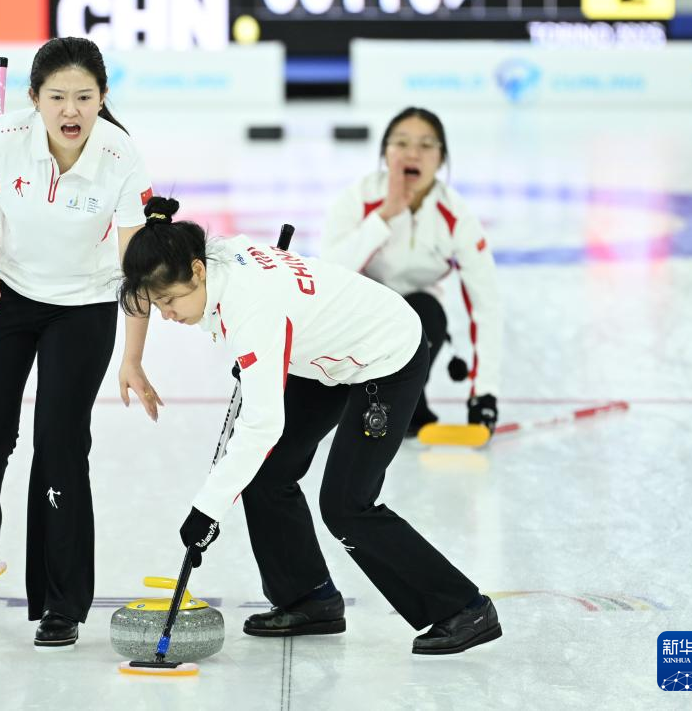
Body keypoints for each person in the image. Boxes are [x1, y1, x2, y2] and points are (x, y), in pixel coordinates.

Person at [118, 196, 502, 655]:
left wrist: (207, 510)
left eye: (169, 301)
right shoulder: (212, 257)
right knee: (267, 473)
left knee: (346, 504)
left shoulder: (250, 308)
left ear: (198, 271)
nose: (166, 314)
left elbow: (262, 427)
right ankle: (309, 598)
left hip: (385, 353)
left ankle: (464, 608)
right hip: (325, 354)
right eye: (157, 304)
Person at [0, 37, 163, 647]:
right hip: (5, 295)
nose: (71, 110)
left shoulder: (121, 158)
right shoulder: (2, 138)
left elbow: (135, 270)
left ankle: (62, 602)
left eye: (85, 97)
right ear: (34, 97)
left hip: (83, 307)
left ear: (103, 97)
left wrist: (134, 356)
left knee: (61, 447)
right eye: (58, 97)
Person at [321, 107, 501, 436]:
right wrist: (385, 215)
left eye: (426, 145)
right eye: (401, 143)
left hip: (419, 324)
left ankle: (403, 395)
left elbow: (486, 303)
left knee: (426, 311)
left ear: (441, 158)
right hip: (358, 321)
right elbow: (327, 277)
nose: (413, 153)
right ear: (385, 153)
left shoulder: (456, 216)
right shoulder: (358, 199)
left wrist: (484, 393)